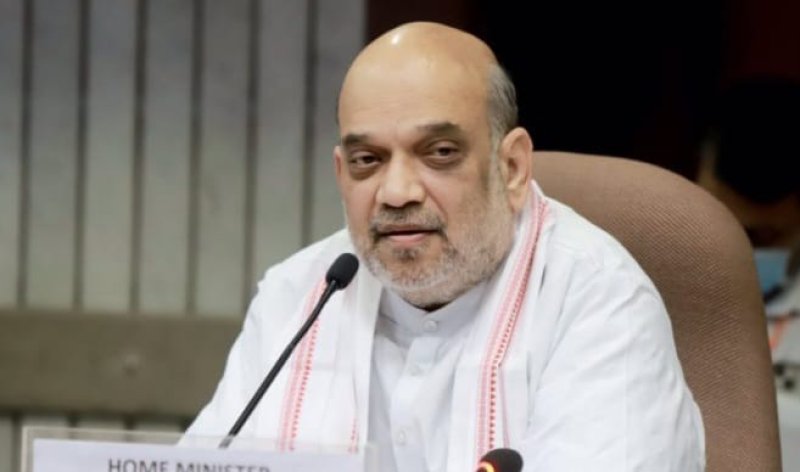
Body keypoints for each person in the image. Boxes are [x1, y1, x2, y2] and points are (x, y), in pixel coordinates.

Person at [186, 22, 705, 471]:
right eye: (368, 160)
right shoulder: (299, 296)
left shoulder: (599, 301)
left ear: (512, 167)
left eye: (438, 152)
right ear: (341, 175)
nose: (396, 192)